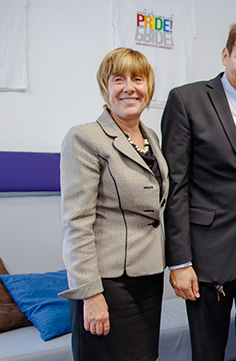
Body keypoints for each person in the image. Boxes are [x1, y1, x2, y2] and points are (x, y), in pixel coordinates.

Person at [161, 22, 236, 361]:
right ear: (225, 55)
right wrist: (180, 261)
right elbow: (176, 186)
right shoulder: (187, 101)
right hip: (206, 255)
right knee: (208, 352)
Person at [60, 47, 169, 361]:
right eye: (118, 79)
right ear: (105, 87)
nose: (129, 87)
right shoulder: (85, 137)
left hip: (147, 278)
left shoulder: (151, 137)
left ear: (148, 87)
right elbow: (76, 222)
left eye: (137, 78)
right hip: (107, 282)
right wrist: (90, 293)